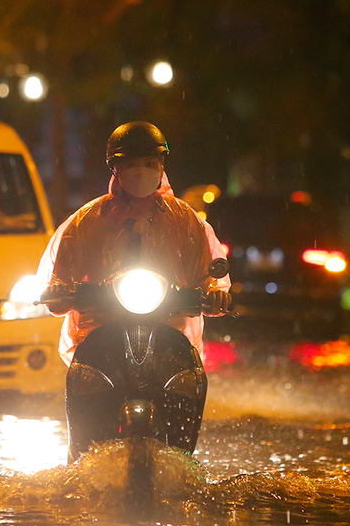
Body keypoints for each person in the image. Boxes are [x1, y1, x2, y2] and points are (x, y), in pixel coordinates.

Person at [38, 121, 231, 365]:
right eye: (131, 164)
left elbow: (206, 275)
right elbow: (60, 281)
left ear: (161, 165)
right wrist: (57, 292)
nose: (140, 172)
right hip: (100, 341)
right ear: (115, 167)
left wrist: (214, 294)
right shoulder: (86, 221)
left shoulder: (185, 220)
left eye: (149, 164)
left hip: (170, 341)